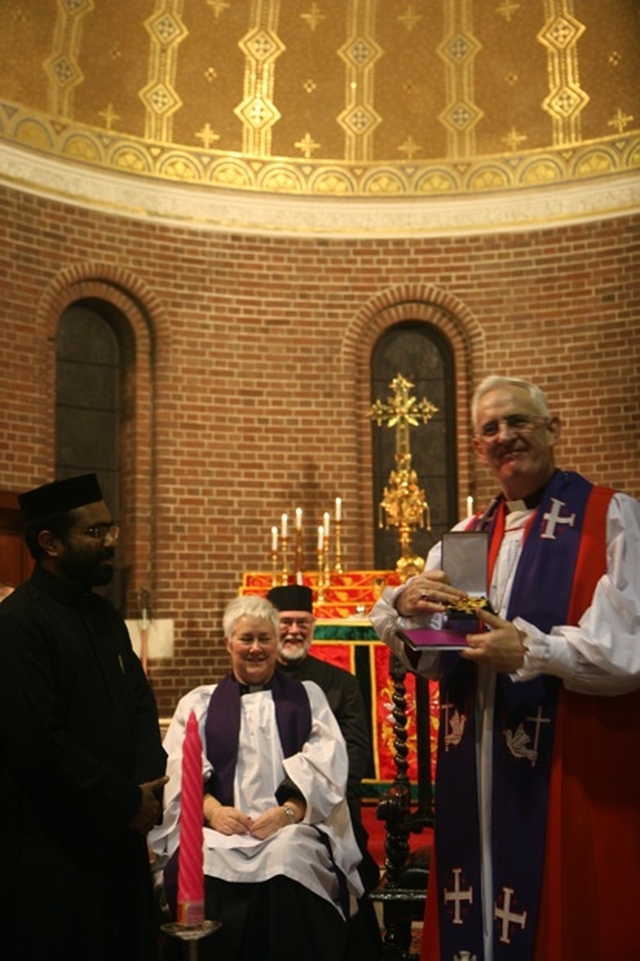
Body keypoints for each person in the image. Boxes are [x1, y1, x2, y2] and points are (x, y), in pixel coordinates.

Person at [370, 375, 640, 961]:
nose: (505, 436)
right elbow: (439, 659)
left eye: (518, 421)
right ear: (476, 447)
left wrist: (529, 652)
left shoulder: (610, 517)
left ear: (552, 429)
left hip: (571, 766)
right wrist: (402, 610)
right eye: (490, 428)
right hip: (476, 772)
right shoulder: (466, 539)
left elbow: (627, 651)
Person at [0, 473, 168, 961]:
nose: (110, 542)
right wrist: (122, 801)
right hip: (54, 846)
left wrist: (147, 787)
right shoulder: (19, 625)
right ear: (50, 543)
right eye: (95, 533)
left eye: (110, 530)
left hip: (120, 832)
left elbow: (140, 704)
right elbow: (38, 743)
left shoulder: (104, 616)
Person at [149, 593, 364, 961]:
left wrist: (288, 813)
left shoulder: (308, 698)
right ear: (227, 643)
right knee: (200, 856)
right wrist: (213, 811)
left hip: (290, 828)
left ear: (276, 642)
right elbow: (177, 772)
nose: (255, 648)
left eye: (264, 638)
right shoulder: (198, 703)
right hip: (219, 830)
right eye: (246, 639)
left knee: (288, 858)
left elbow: (327, 766)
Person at [267, 583, 381, 958]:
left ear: (313, 626)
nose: (294, 630)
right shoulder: (254, 683)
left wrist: (309, 804)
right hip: (263, 807)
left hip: (330, 811)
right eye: (286, 622)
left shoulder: (341, 683)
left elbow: (356, 754)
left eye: (303, 622)